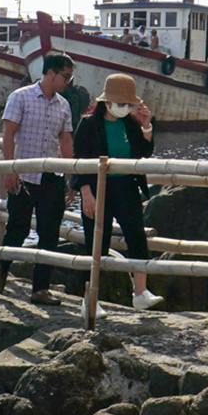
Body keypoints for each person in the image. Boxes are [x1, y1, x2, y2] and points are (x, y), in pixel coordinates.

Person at [73, 72, 161, 311]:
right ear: (106, 102)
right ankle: (90, 299)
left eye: (128, 104)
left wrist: (146, 126)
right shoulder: (89, 124)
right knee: (96, 242)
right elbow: (79, 160)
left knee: (136, 236)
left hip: (127, 187)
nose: (125, 108)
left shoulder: (130, 123)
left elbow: (144, 152)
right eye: (121, 104)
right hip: (98, 187)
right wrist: (86, 194)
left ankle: (141, 292)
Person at [0, 53, 76, 301]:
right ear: (50, 73)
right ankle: (3, 265)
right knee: (17, 229)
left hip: (52, 177)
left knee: (49, 233)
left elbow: (65, 141)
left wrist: (71, 177)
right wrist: (10, 170)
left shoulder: (64, 105)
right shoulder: (20, 97)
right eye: (65, 76)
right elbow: (8, 134)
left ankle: (40, 289)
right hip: (25, 175)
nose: (68, 82)